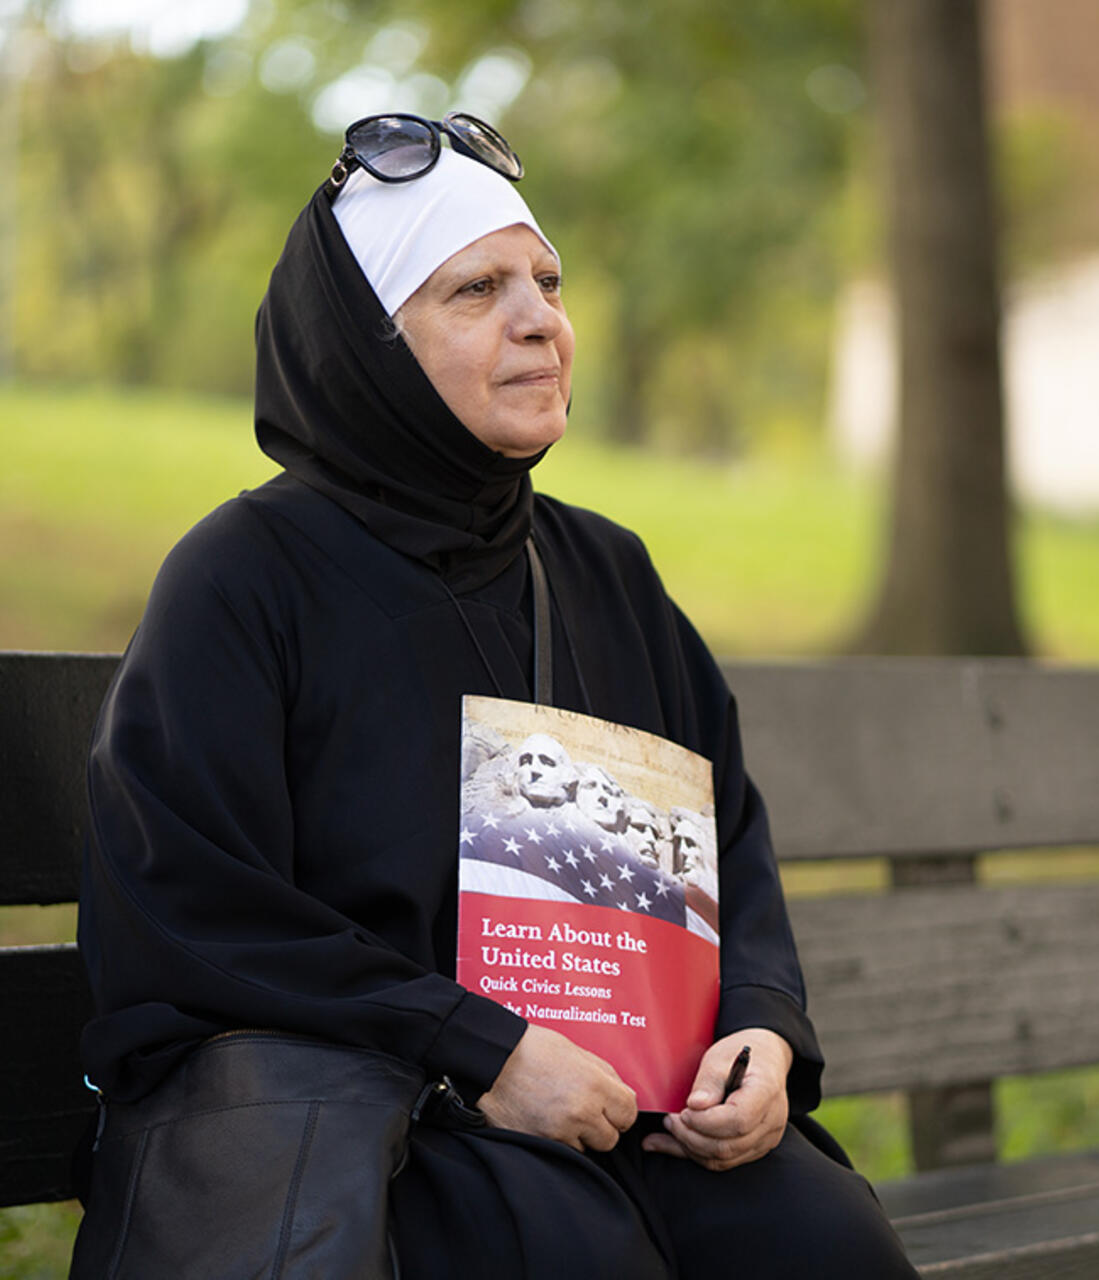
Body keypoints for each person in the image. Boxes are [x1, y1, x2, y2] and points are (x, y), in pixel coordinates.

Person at [73, 111, 918, 1278]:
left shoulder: (604, 571)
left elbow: (724, 837)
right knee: (563, 1244)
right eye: (475, 290)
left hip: (634, 1106)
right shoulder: (244, 578)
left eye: (548, 281)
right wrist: (483, 1047)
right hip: (386, 1113)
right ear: (367, 347)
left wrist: (761, 1028)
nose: (539, 320)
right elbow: (194, 903)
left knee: (819, 1235)